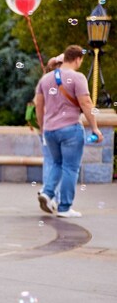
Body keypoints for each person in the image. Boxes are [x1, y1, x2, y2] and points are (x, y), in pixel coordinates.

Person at [35, 45, 104, 218]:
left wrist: (43, 127)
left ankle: (48, 192)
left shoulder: (45, 79)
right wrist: (95, 127)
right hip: (70, 129)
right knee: (70, 168)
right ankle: (64, 207)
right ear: (78, 59)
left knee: (57, 164)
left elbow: (38, 105)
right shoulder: (77, 77)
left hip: (50, 130)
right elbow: (86, 104)